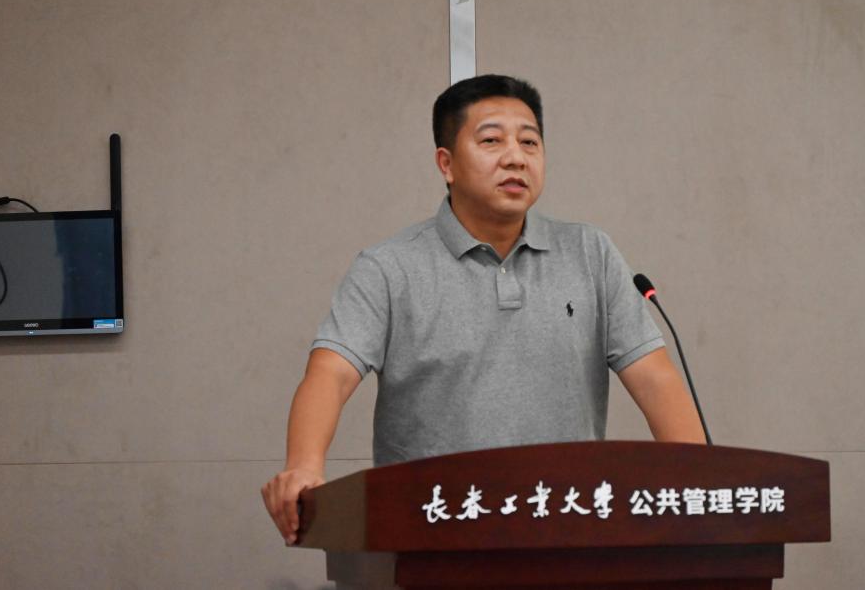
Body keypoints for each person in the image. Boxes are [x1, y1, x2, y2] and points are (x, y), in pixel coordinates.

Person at [261, 75, 706, 544]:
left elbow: (654, 378)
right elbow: (330, 374)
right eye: (492, 140)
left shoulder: (589, 253)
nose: (515, 157)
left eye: (529, 142)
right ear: (446, 164)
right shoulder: (389, 268)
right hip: (430, 534)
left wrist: (702, 478)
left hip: (567, 530)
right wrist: (303, 466)